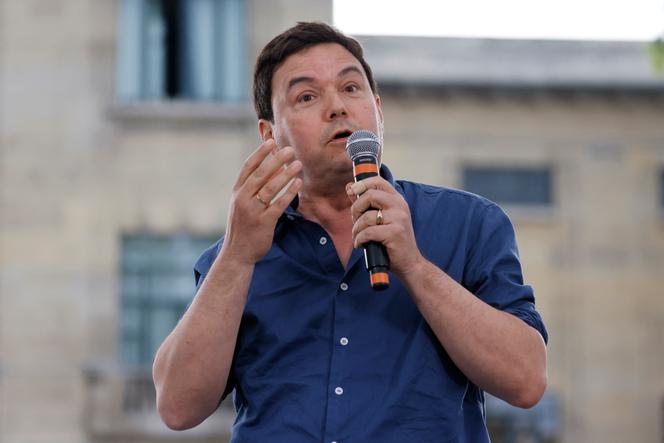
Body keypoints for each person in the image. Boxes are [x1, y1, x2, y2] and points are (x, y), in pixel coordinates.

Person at [152, 21, 548, 443]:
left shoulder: (469, 224)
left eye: (351, 88)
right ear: (269, 134)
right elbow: (178, 407)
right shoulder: (238, 255)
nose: (337, 107)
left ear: (378, 111)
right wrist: (237, 256)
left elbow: (525, 381)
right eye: (307, 96)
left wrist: (414, 266)